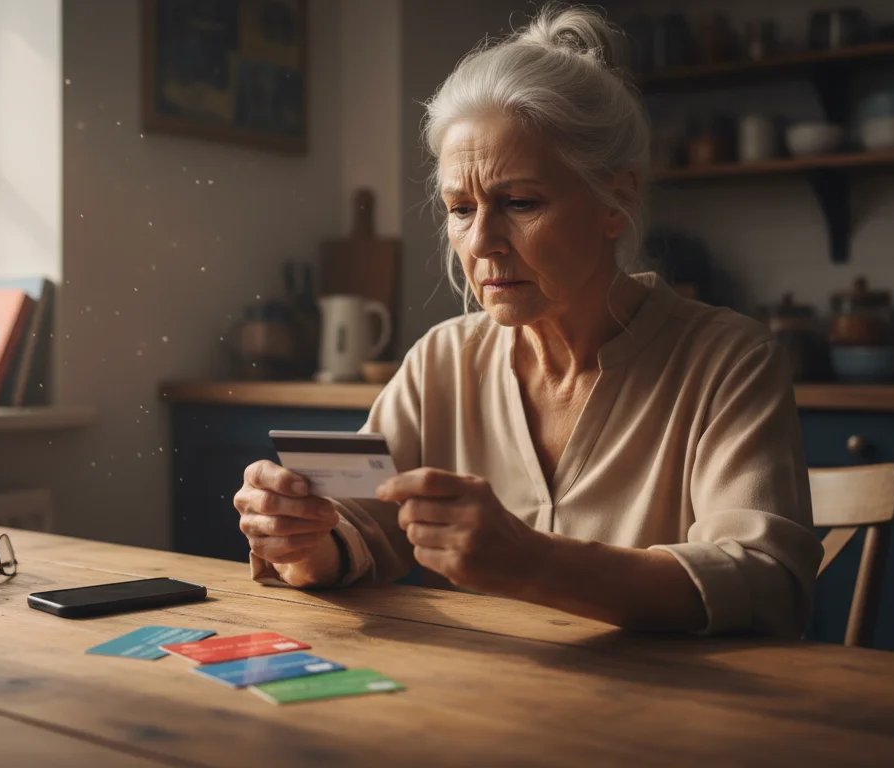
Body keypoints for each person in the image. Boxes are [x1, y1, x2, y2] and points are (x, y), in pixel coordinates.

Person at [233, 6, 823, 637]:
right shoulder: (443, 361)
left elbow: (766, 583)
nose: (482, 240)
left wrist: (528, 561)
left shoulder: (727, 361)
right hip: (474, 716)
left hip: (663, 726)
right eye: (461, 208)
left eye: (519, 202)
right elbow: (355, 533)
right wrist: (298, 536)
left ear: (616, 200)